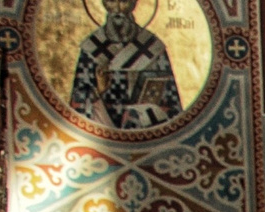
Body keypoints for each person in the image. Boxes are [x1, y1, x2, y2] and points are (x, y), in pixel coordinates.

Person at [69, 0, 183, 130]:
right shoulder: (91, 48)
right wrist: (98, 90)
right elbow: (77, 104)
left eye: (123, 1)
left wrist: (143, 111)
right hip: (103, 132)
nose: (117, 9)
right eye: (111, 2)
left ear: (134, 3)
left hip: (143, 134)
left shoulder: (153, 47)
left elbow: (173, 106)